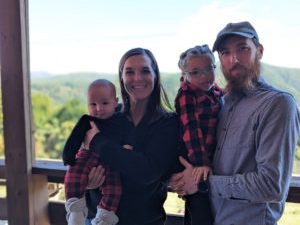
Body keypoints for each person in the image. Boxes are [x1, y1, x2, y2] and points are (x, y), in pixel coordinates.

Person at [169, 21, 300, 225]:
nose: (234, 59)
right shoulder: (223, 101)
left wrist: (202, 183)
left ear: (260, 50)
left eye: (243, 49)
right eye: (225, 52)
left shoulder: (277, 104)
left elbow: (271, 186)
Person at [83, 48, 179, 225]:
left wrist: (98, 142)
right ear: (122, 77)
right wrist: (86, 181)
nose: (137, 78)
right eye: (129, 72)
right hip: (94, 218)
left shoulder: (168, 123)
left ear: (155, 75)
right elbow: (82, 156)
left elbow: (147, 171)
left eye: (145, 71)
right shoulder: (107, 115)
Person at [63, 79, 131, 225]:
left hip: (112, 163)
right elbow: (74, 139)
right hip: (88, 157)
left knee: (114, 189)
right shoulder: (87, 121)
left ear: (115, 102)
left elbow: (128, 135)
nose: (98, 108)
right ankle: (75, 211)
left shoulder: (122, 120)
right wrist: (68, 156)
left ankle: (104, 218)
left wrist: (127, 146)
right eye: (93, 104)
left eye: (104, 103)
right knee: (73, 175)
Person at [174, 45, 223, 225]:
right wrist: (201, 164)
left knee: (202, 210)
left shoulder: (214, 90)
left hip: (208, 161)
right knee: (201, 212)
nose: (204, 76)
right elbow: (191, 130)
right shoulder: (187, 95)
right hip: (193, 159)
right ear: (185, 75)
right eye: (195, 72)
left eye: (209, 68)